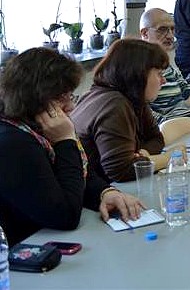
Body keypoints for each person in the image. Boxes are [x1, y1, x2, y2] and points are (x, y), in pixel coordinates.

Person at [0, 48, 142, 246]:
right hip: (28, 251)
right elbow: (65, 215)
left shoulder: (36, 126)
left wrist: (105, 192)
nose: (71, 106)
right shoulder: (13, 142)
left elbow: (81, 174)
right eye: (60, 98)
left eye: (70, 96)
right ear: (32, 97)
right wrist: (65, 141)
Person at [71, 39, 187, 182]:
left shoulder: (133, 98)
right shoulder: (114, 105)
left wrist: (142, 154)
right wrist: (170, 157)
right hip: (97, 191)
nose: (163, 81)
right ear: (139, 74)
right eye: (159, 74)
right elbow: (120, 171)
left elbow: (156, 139)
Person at [140, 8, 190, 124]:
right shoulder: (139, 68)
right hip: (167, 129)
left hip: (188, 123)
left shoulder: (166, 65)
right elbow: (142, 108)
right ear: (145, 34)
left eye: (172, 29)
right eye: (162, 30)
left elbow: (185, 87)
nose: (170, 36)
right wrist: (172, 124)